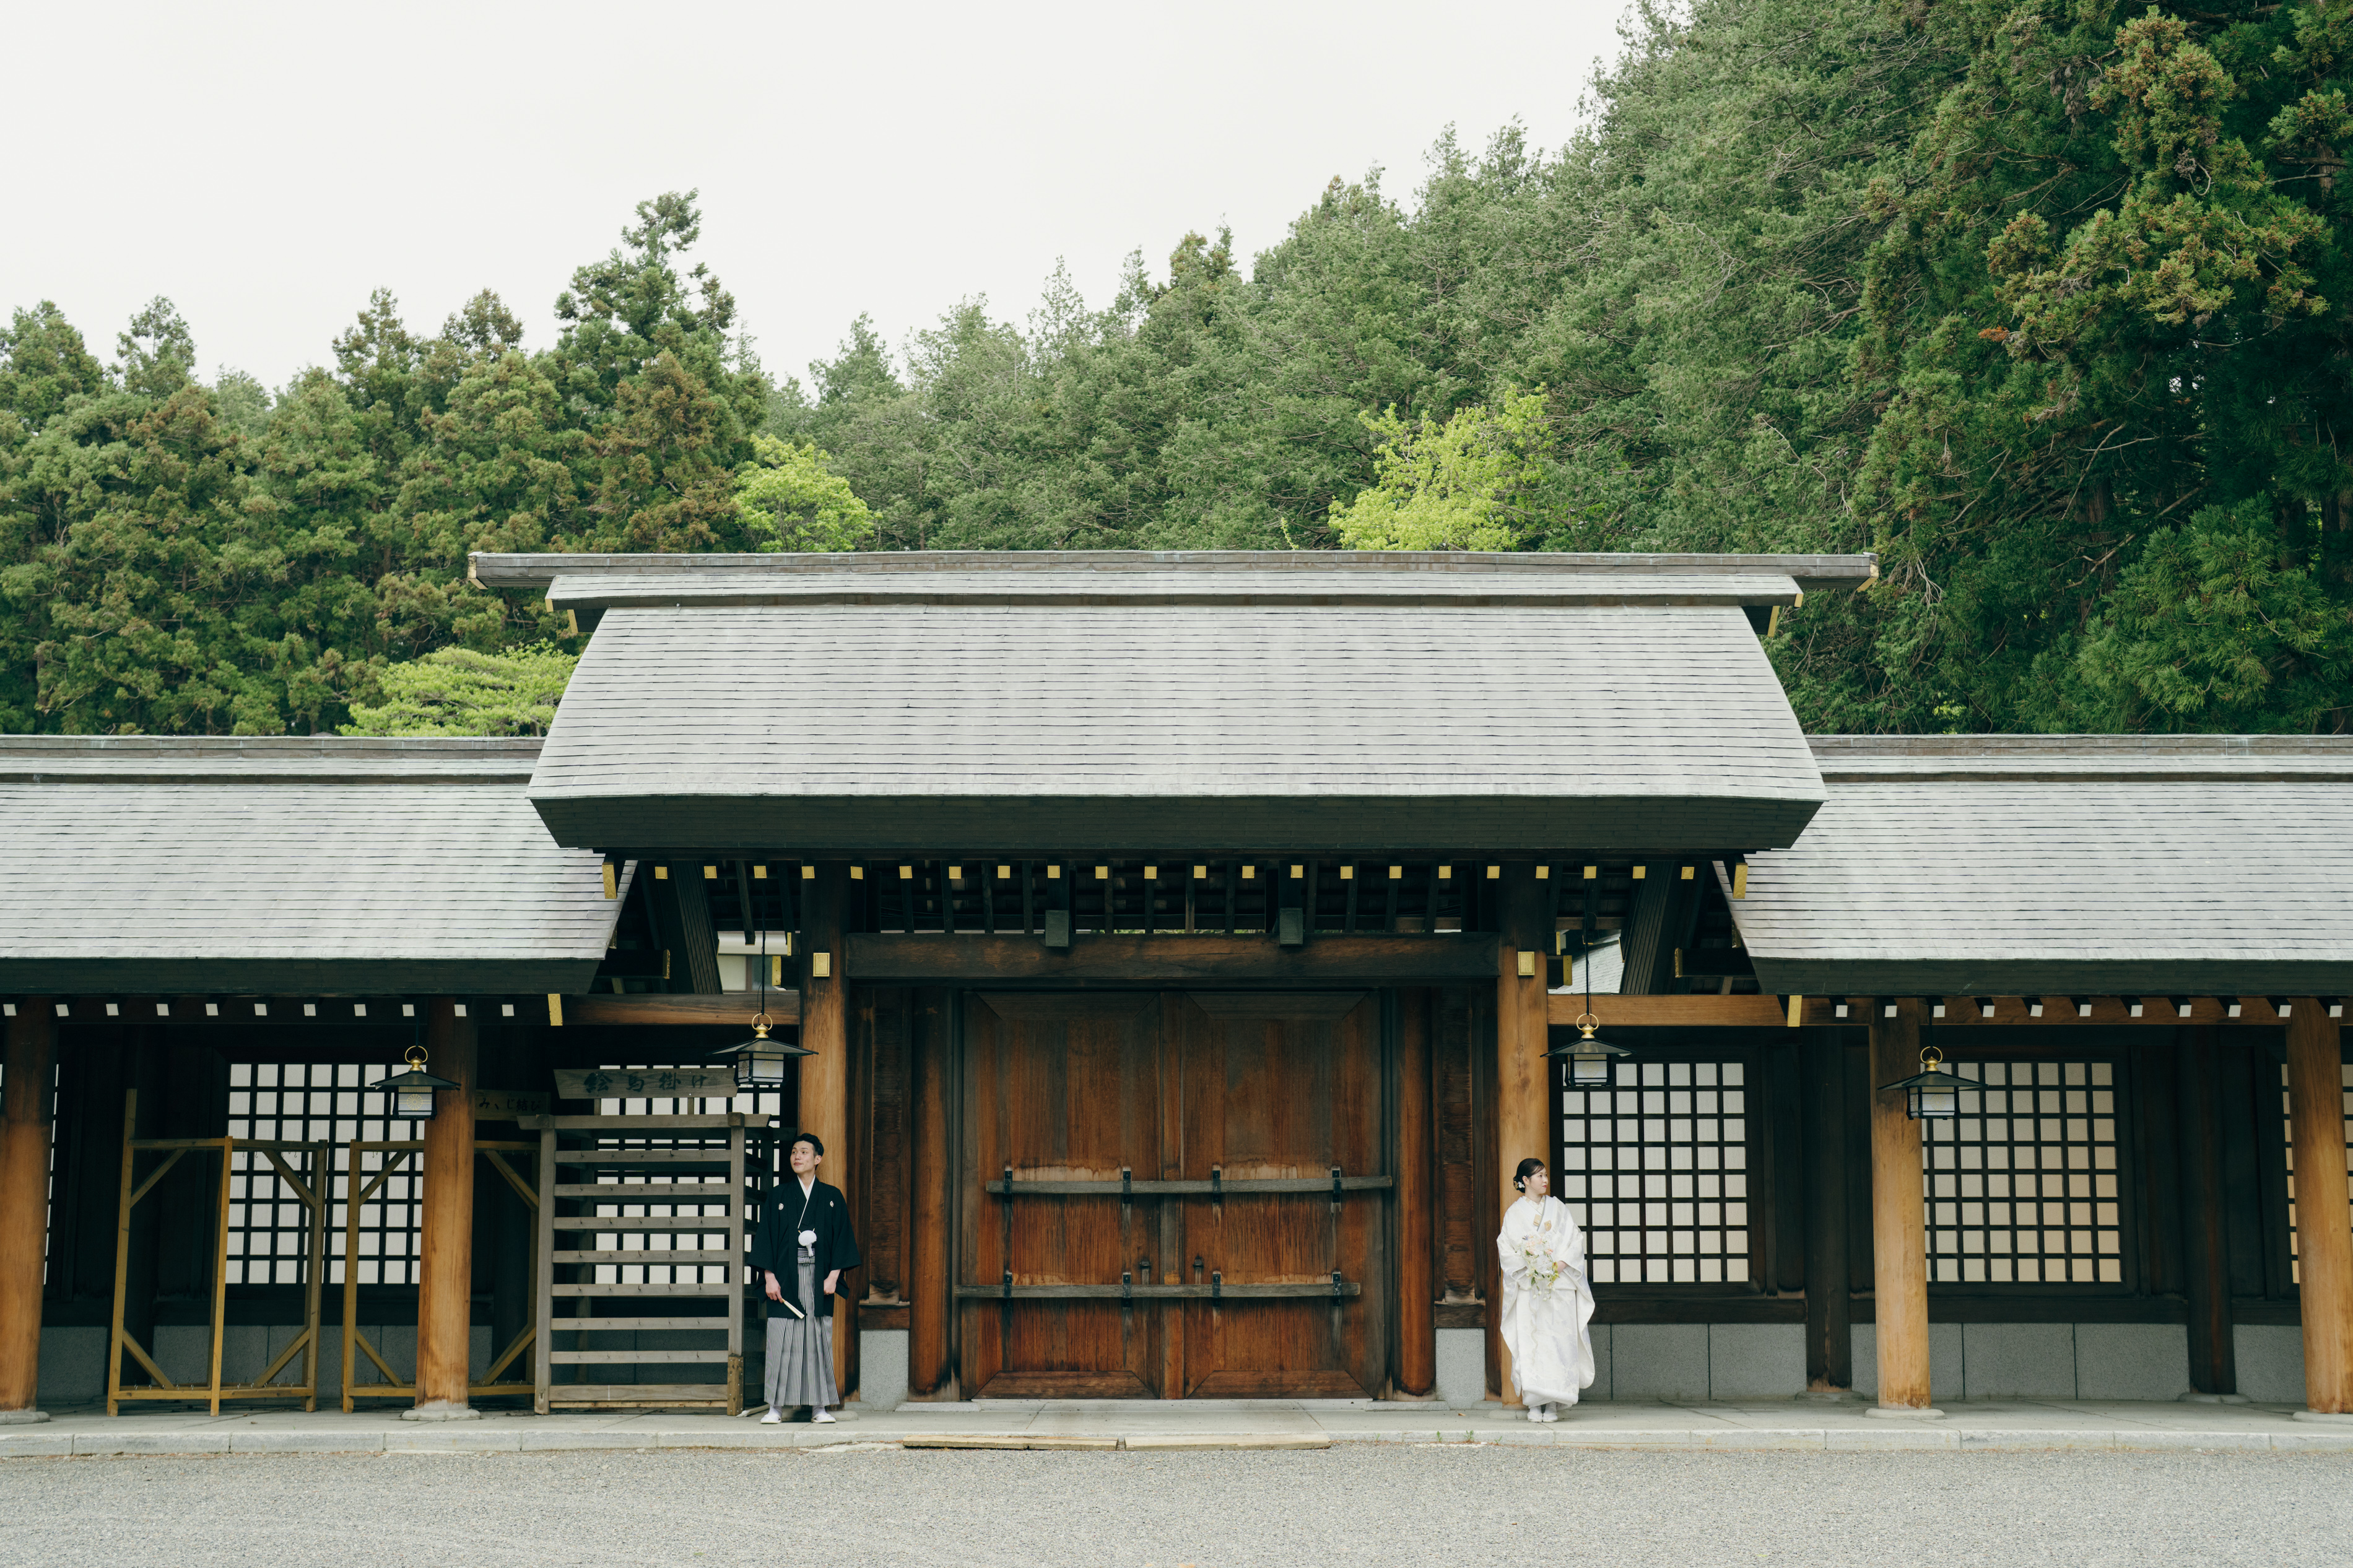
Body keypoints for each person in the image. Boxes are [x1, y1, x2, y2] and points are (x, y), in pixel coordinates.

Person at [748, 1132, 860, 1423]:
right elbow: (766, 1239)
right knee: (780, 1339)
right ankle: (775, 1407)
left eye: (805, 1152)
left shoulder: (832, 1197)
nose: (797, 1157)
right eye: (794, 1152)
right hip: (784, 1279)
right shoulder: (779, 1196)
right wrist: (769, 1277)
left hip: (818, 1278)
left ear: (818, 1159)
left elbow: (842, 1241)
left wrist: (834, 1277)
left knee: (817, 1338)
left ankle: (818, 1407)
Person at [1495, 1156, 1595, 1422]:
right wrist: (1531, 1267)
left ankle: (1554, 1403)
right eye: (1539, 1176)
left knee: (1559, 1342)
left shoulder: (1559, 1209)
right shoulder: (1515, 1214)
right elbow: (1506, 1248)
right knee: (1533, 1342)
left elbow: (1574, 1239)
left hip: (1559, 1286)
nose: (1545, 1181)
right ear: (1525, 1181)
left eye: (1546, 1175)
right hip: (1531, 1287)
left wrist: (1558, 1265)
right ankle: (1533, 1403)